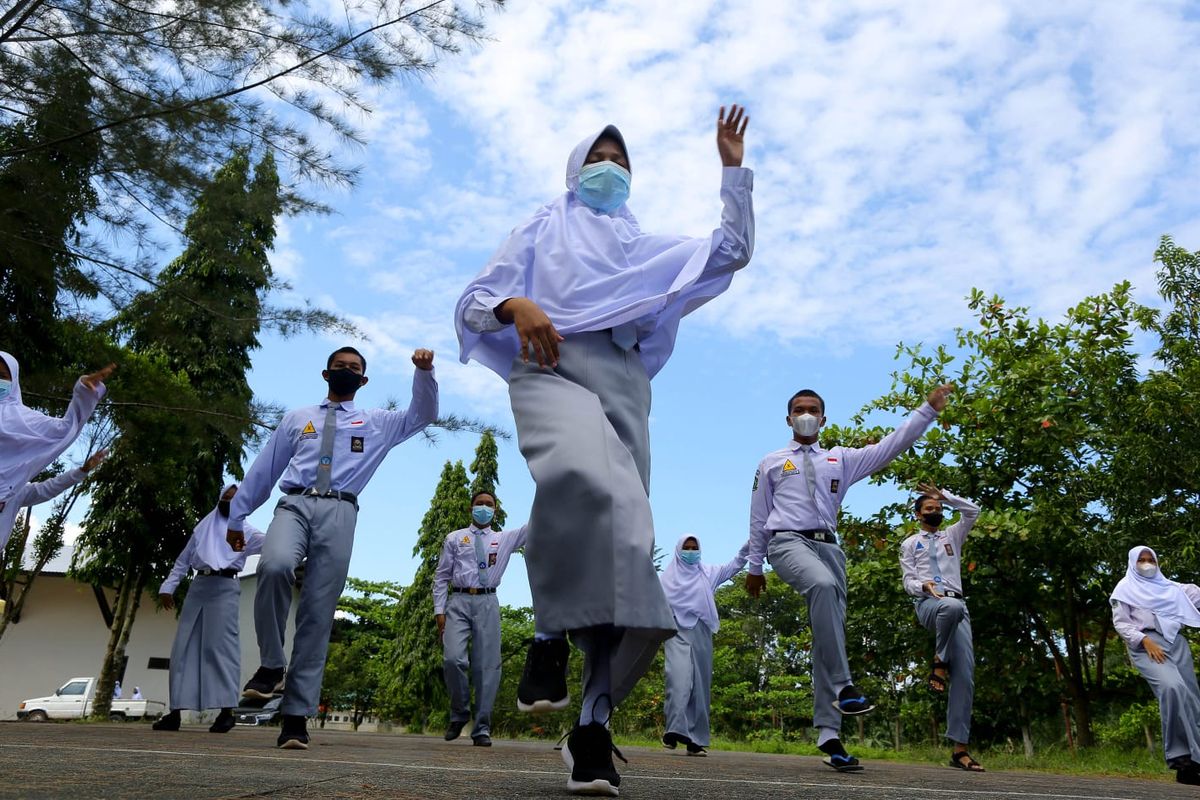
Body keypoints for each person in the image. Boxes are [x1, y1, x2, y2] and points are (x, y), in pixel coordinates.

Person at [455, 105, 753, 796]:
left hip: (624, 384)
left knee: (628, 552)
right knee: (585, 479)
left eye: (622, 159)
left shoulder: (640, 246)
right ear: (575, 167)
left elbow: (731, 251)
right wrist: (515, 308)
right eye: (600, 155)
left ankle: (591, 728)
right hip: (550, 361)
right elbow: (475, 299)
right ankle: (547, 635)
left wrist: (733, 169)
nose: (611, 167)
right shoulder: (541, 225)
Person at [226, 346, 437, 750]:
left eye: (354, 369)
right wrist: (236, 518)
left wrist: (424, 374)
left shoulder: (376, 423)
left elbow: (422, 415)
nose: (346, 372)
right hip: (295, 503)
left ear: (364, 380)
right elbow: (264, 472)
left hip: (341, 511)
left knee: (317, 613)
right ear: (326, 374)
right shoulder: (297, 418)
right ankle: (271, 664)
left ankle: (294, 719)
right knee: (273, 566)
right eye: (339, 367)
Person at [746, 383, 954, 772]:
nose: (805, 413)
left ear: (823, 419)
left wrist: (927, 411)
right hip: (787, 543)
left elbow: (891, 446)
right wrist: (755, 567)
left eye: (812, 409)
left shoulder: (840, 459)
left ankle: (830, 737)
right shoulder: (771, 462)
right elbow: (759, 516)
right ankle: (845, 686)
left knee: (831, 634)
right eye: (799, 409)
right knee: (821, 588)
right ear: (788, 418)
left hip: (830, 548)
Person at [154, 484, 265, 734]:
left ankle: (227, 713)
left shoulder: (245, 532)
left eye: (235, 499)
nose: (229, 502)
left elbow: (273, 546)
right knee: (184, 648)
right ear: (219, 500)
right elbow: (183, 561)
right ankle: (175, 713)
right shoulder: (203, 529)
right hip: (199, 586)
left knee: (221, 649)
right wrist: (167, 587)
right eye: (225, 498)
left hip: (226, 587)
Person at [433, 491, 528, 747]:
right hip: (459, 601)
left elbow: (535, 525)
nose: (483, 508)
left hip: (488, 601)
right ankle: (460, 712)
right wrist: (439, 610)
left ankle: (482, 728)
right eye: (479, 504)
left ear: (495, 510)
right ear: (470, 508)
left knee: (488, 666)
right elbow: (442, 576)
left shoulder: (504, 538)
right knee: (453, 659)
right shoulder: (455, 538)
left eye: (489, 505)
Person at [898, 482, 983, 771]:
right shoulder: (910, 544)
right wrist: (924, 585)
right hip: (929, 605)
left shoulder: (953, 535)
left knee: (965, 677)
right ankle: (939, 660)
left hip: (958, 608)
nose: (935, 511)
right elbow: (907, 582)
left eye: (938, 508)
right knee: (951, 606)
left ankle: (960, 751)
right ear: (918, 514)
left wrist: (946, 494)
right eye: (929, 508)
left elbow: (973, 511)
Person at [0, 351, 113, 551]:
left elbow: (64, 430)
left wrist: (84, 394)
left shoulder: (13, 490)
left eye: (2, 376)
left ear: (14, 381)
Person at [1111, 546, 1200, 785]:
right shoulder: (1125, 589)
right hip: (1146, 644)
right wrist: (1145, 640)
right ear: (1133, 562)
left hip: (1176, 642)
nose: (1147, 563)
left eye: (1151, 559)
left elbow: (1194, 594)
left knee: (1192, 697)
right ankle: (1181, 760)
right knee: (1172, 688)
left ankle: (1197, 762)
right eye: (1142, 560)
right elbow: (1121, 624)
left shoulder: (1170, 588)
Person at [659, 534, 749, 757]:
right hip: (675, 631)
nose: (691, 551)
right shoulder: (664, 580)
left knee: (700, 685)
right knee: (678, 680)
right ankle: (674, 729)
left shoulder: (708, 573)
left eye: (694, 547)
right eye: (687, 548)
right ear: (679, 550)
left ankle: (695, 740)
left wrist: (751, 546)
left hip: (701, 632)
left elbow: (735, 564)